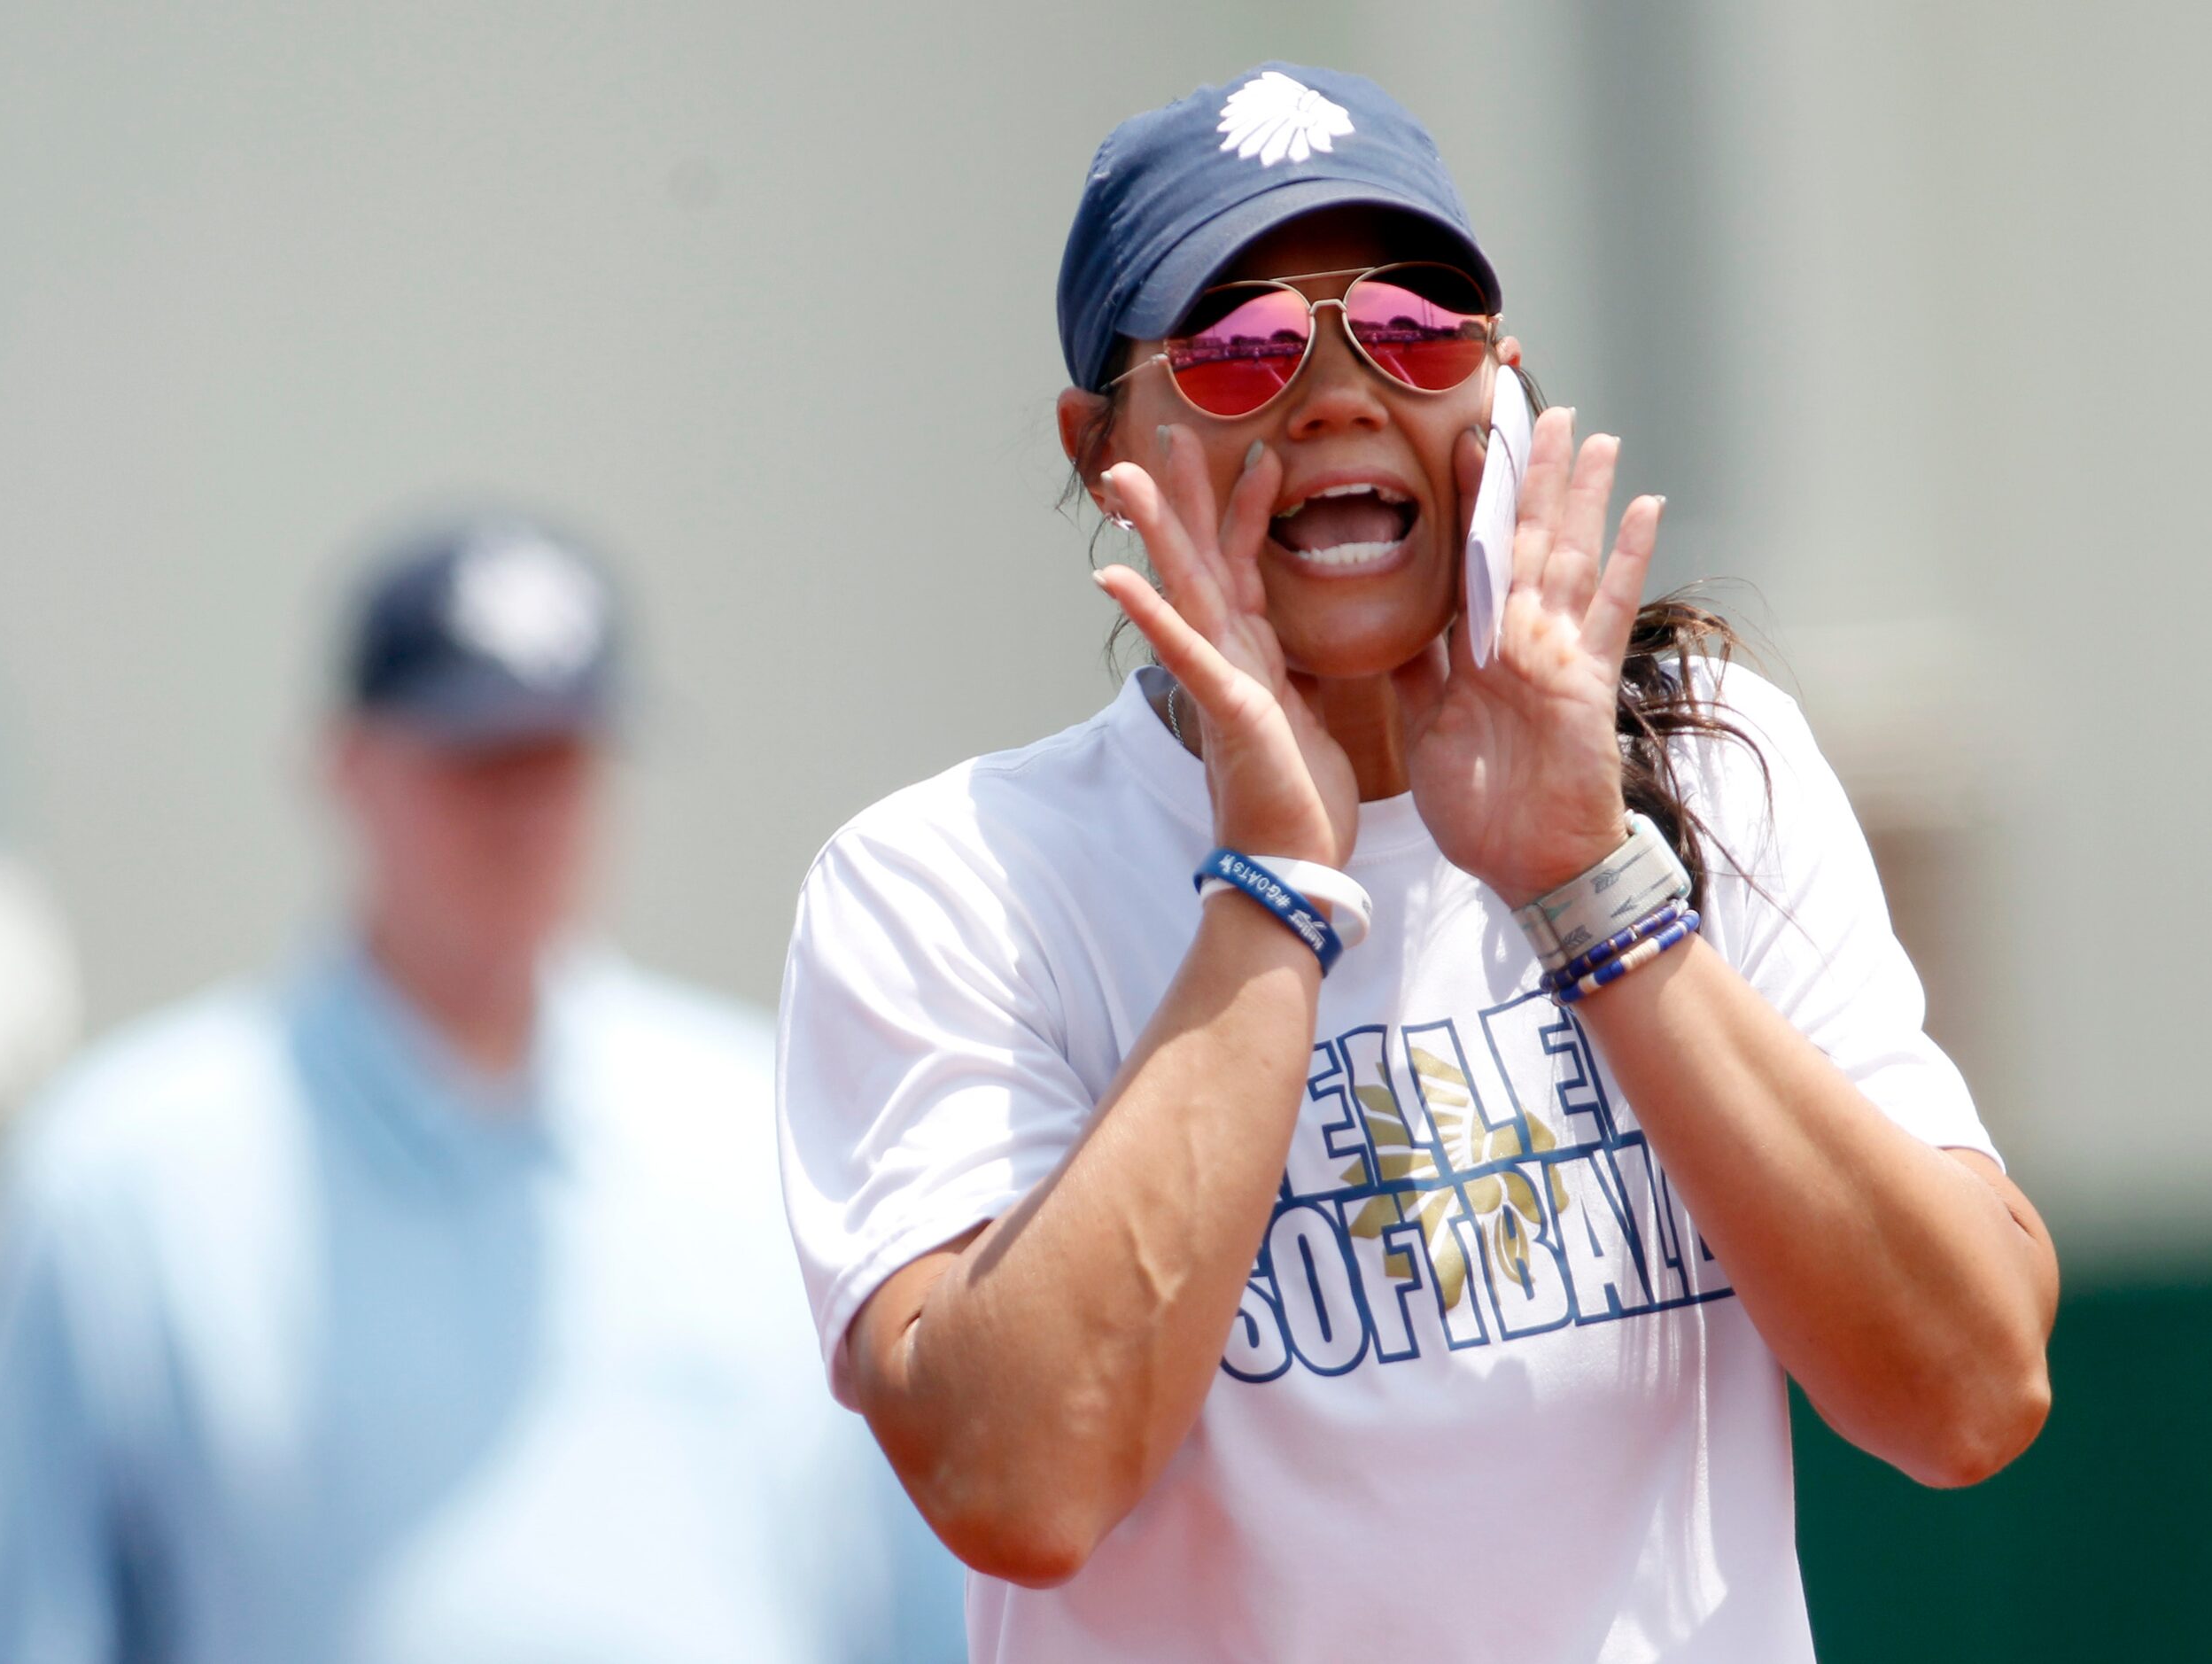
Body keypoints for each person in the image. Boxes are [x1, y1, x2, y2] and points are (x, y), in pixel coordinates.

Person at [775, 64, 2058, 1662]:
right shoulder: (947, 880)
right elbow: (1019, 1479)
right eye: (1236, 347)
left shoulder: (1701, 764)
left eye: (1412, 324)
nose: (1331, 393)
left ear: (1500, 389)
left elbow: (1968, 1390)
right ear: (1101, 443)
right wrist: (1277, 887)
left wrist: (1587, 885)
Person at [0, 513, 966, 1664]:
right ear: (344, 767)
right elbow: (5, 1625)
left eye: (557, 759)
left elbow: (925, 1595)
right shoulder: (118, 1177)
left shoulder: (784, 1135)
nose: (521, 812)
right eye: (472, 758)